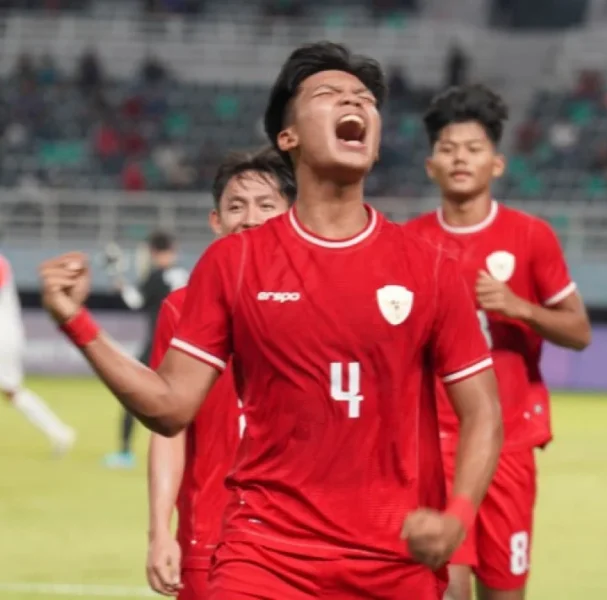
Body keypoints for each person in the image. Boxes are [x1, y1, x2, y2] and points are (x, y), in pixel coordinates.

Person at [38, 41, 502, 600]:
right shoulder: (234, 264)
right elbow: (170, 407)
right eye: (328, 94)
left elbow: (483, 412)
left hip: (392, 563)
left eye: (364, 98)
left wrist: (457, 516)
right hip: (265, 559)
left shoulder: (429, 268)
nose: (353, 102)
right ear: (289, 137)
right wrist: (76, 322)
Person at [405, 83, 591, 600]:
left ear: (497, 164)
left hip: (508, 445)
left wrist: (519, 307)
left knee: (504, 592)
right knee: (446, 585)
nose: (460, 158)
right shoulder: (409, 243)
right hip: (436, 443)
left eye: (473, 148)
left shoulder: (531, 236)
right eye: (448, 149)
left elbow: (579, 330)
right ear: (431, 166)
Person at [145, 147, 295, 600]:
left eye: (266, 205)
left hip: (304, 540)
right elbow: (169, 428)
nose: (250, 219)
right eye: (236, 206)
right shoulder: (182, 309)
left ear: (293, 215)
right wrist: (159, 530)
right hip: (212, 538)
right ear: (216, 221)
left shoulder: (327, 302)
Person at [104, 230, 188, 469]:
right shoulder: (186, 274)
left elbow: (135, 301)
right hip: (187, 347)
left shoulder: (156, 275)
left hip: (158, 344)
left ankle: (124, 453)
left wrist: (118, 280)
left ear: (152, 252)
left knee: (132, 394)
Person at [0, 253, 75, 455]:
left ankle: (61, 433)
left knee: (13, 392)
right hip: (8, 334)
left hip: (3, 337)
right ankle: (60, 433)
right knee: (12, 393)